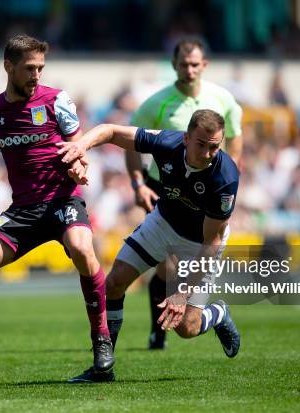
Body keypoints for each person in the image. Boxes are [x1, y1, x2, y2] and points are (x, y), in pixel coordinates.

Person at [0, 34, 114, 387]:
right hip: (24, 210)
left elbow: (79, 148)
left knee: (81, 248)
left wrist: (80, 167)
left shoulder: (58, 101)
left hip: (63, 201)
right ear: (8, 66)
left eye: (41, 68)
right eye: (29, 68)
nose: (36, 75)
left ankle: (102, 341)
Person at [58, 109, 241, 382]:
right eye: (201, 145)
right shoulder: (167, 143)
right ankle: (103, 367)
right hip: (163, 222)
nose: (207, 154)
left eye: (214, 147)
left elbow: (211, 243)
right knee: (114, 282)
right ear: (186, 137)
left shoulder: (225, 177)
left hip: (200, 243)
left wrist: (182, 293)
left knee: (186, 328)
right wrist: (80, 145)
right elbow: (111, 131)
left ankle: (218, 313)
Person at [126, 38, 243, 349]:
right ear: (174, 65)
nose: (189, 69)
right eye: (184, 64)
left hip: (206, 189)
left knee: (183, 264)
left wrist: (229, 181)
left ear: (204, 65)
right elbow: (132, 143)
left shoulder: (222, 98)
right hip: (162, 187)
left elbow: (236, 136)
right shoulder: (156, 103)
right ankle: (157, 332)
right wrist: (138, 183)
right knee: (166, 265)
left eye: (195, 64)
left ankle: (196, 316)